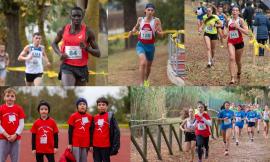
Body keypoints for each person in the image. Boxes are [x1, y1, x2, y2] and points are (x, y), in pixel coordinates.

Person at [51, 6, 100, 86]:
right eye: (74, 16)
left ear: (82, 16)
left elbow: (98, 53)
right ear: (70, 16)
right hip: (67, 66)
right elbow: (53, 43)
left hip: (82, 68)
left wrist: (87, 48)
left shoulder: (88, 32)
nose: (76, 18)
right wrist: (60, 54)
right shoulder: (63, 30)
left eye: (79, 16)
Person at [128, 3, 163, 86]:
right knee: (143, 62)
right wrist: (132, 31)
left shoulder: (156, 20)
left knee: (148, 67)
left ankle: (146, 80)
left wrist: (157, 31)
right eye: (148, 10)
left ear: (154, 12)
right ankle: (141, 83)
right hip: (141, 45)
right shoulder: (140, 19)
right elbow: (135, 27)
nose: (150, 11)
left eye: (152, 10)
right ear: (145, 10)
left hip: (150, 47)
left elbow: (162, 35)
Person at [224, 5, 249, 84]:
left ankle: (239, 72)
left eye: (236, 10)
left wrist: (238, 27)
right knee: (232, 58)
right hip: (230, 42)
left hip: (239, 43)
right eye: (233, 10)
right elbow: (225, 30)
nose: (234, 11)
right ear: (232, 12)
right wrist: (224, 32)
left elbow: (247, 32)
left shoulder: (241, 20)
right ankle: (232, 78)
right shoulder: (228, 20)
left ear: (238, 12)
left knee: (238, 61)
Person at [0, 88, 25, 162]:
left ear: (15, 98)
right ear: (4, 97)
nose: (10, 98)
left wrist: (15, 135)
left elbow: (21, 124)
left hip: (16, 139)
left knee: (15, 160)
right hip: (3, 139)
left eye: (12, 96)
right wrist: (6, 135)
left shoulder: (19, 109)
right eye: (7, 96)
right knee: (1, 159)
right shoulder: (1, 108)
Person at [92, 97, 120, 162]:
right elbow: (91, 131)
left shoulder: (110, 116)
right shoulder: (95, 117)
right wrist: (91, 144)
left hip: (106, 146)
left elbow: (116, 132)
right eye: (99, 105)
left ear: (107, 106)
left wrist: (115, 146)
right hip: (95, 146)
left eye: (103, 105)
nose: (101, 106)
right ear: (97, 106)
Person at [67, 98, 93, 162]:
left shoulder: (90, 117)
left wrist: (91, 144)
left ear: (86, 106)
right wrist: (70, 143)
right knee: (75, 160)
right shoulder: (73, 116)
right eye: (80, 104)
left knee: (83, 160)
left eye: (84, 104)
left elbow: (91, 132)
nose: (82, 105)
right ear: (77, 107)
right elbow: (70, 131)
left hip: (85, 143)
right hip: (75, 143)